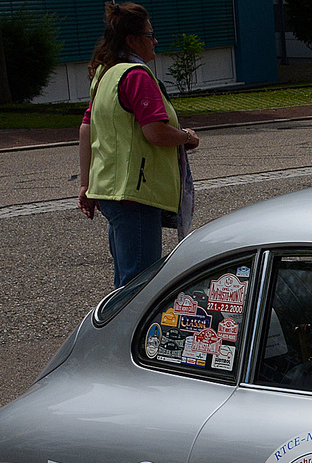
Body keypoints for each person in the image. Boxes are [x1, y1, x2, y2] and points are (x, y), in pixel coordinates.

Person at [77, 3, 201, 287]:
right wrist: (186, 137)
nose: (155, 41)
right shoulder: (137, 75)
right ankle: (126, 331)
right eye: (149, 35)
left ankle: (116, 329)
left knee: (125, 280)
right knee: (139, 286)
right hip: (137, 194)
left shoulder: (105, 74)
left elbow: (87, 128)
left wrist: (85, 184)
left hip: (110, 190)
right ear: (132, 40)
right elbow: (155, 132)